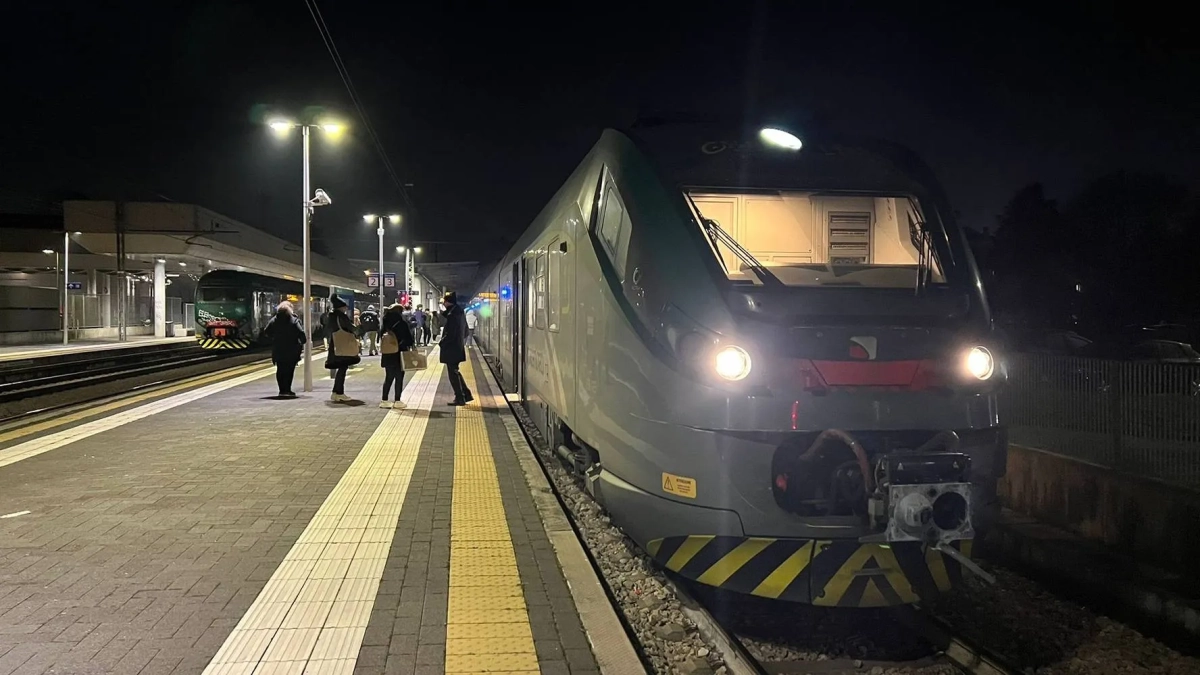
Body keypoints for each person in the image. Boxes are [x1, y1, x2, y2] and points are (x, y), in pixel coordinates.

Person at [263, 300, 304, 397]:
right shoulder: (294, 320)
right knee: (289, 370)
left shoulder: (274, 320)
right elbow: (301, 333)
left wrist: (274, 338)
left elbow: (266, 332)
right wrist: (300, 342)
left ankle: (282, 390)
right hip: (291, 350)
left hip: (278, 349)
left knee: (280, 370)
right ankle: (287, 390)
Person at [324, 296, 361, 402]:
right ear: (341, 307)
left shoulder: (331, 317)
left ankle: (336, 392)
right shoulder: (341, 317)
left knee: (340, 368)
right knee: (342, 368)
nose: (346, 309)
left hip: (335, 344)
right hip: (343, 345)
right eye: (345, 307)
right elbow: (351, 329)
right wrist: (359, 328)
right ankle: (339, 392)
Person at [439, 291, 473, 405]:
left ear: (449, 303)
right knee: (455, 372)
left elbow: (451, 332)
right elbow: (465, 332)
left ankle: (460, 398)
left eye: (445, 302)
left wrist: (442, 342)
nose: (443, 304)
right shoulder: (458, 313)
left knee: (453, 374)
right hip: (456, 347)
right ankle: (466, 395)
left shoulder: (454, 315)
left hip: (452, 348)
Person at [379, 303, 415, 409]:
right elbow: (408, 339)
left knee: (389, 377)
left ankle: (384, 400)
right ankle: (397, 400)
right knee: (399, 377)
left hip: (388, 353)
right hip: (399, 353)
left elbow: (380, 336)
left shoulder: (385, 323)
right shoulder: (402, 323)